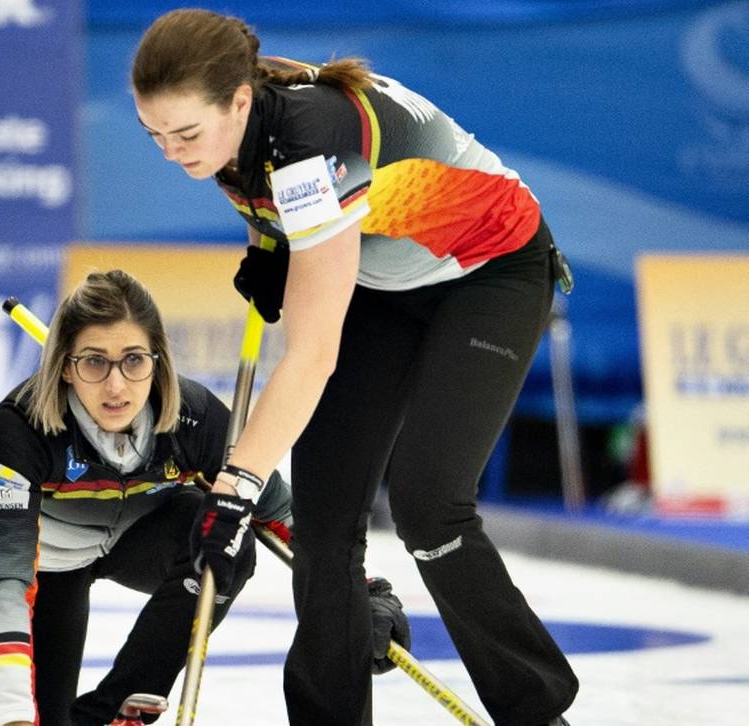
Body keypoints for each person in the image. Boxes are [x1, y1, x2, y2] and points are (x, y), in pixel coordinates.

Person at [130, 9, 578, 726]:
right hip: (387, 280)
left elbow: (311, 355)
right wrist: (273, 250)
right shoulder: (233, 139)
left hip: (489, 271)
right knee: (325, 513)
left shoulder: (312, 142)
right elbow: (267, 200)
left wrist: (236, 488)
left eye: (184, 134)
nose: (171, 152)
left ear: (239, 100)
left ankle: (534, 710)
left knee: (429, 505)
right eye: (154, 135)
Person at [0, 269, 408, 726]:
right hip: (49, 564)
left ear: (157, 361)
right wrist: (16, 714)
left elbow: (279, 511)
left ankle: (118, 707)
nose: (115, 386)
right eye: (93, 362)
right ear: (65, 368)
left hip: (140, 541)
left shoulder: (192, 417)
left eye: (133, 361)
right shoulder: (23, 425)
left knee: (226, 532)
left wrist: (365, 594)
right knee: (30, 716)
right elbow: (5, 578)